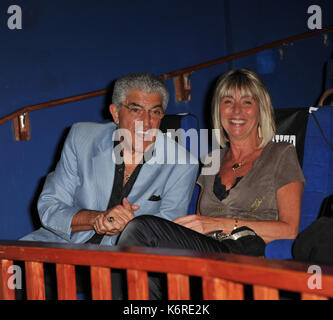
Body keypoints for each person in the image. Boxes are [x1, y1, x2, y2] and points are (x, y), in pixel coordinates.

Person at [117, 68, 306, 277]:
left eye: (247, 102)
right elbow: (198, 224)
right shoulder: (211, 160)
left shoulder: (280, 154)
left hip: (245, 255)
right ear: (218, 109)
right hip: (208, 253)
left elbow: (289, 230)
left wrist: (219, 224)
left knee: (143, 230)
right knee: (146, 242)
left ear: (261, 109)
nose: (236, 111)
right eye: (227, 102)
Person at [20, 72, 199, 246]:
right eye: (136, 110)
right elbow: (50, 206)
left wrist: (127, 224)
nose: (146, 122)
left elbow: (166, 234)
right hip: (63, 244)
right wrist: (98, 218)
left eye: (155, 112)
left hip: (126, 257)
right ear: (115, 113)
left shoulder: (182, 164)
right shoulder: (81, 138)